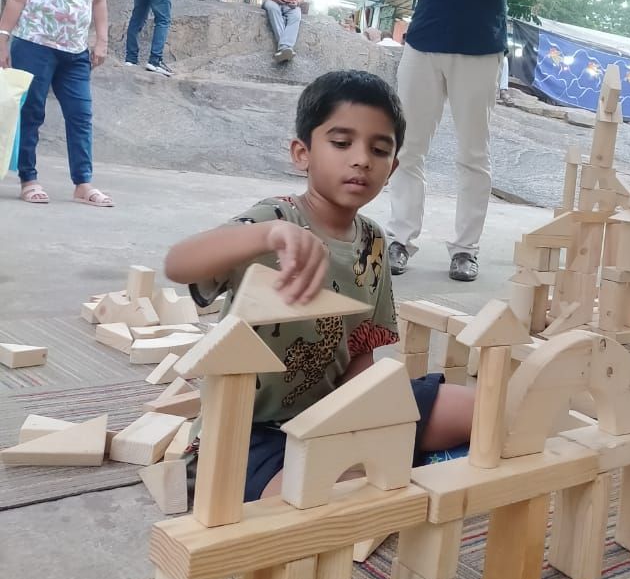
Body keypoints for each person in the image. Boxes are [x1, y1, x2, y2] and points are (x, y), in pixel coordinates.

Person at [164, 69, 474, 500]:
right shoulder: (276, 220)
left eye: (379, 149)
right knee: (329, 498)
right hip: (253, 432)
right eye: (342, 143)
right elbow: (177, 264)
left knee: (482, 410)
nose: (361, 159)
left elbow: (361, 349)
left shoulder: (374, 241)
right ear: (302, 153)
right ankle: (394, 468)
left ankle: (389, 462)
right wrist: (266, 235)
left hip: (335, 411)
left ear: (392, 168)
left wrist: (363, 422)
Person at [387, 0, 536, 283]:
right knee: (407, 146)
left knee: (473, 154)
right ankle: (399, 238)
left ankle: (465, 249)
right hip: (424, 43)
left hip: (480, 48)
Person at [0, 0, 112, 206]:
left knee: (81, 114)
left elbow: (99, 1)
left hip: (75, 50)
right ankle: (29, 179)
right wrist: (3, 38)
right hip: (34, 44)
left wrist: (101, 40)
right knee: (32, 113)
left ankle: (83, 182)